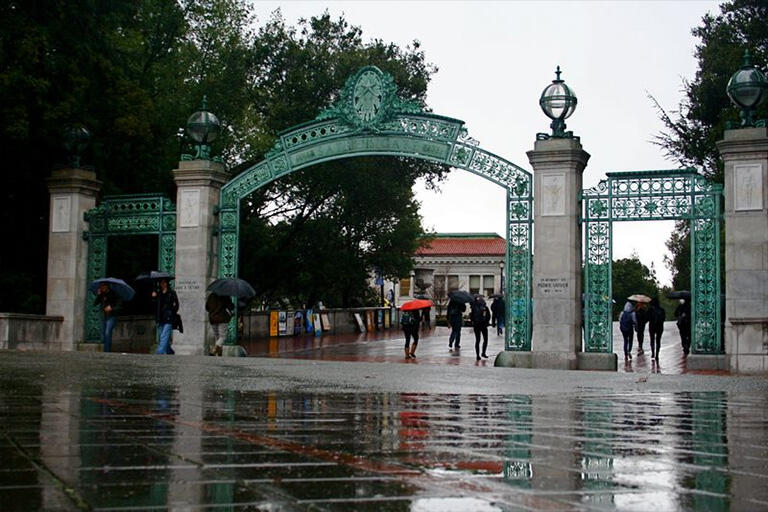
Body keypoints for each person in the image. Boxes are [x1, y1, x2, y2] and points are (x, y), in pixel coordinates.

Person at [153, 278, 178, 355]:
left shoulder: (172, 293)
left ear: (167, 283)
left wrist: (171, 312)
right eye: (161, 283)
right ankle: (170, 351)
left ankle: (159, 352)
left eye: (164, 282)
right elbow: (154, 306)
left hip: (168, 317)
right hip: (160, 318)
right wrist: (154, 298)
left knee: (164, 336)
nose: (163, 284)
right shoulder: (158, 293)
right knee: (162, 337)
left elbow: (176, 305)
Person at [94, 283, 119, 353]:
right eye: (100, 286)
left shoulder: (114, 294)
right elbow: (95, 303)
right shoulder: (102, 294)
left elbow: (118, 306)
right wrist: (98, 295)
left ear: (106, 286)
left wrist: (111, 308)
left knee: (107, 333)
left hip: (111, 316)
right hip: (103, 315)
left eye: (102, 286)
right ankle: (106, 350)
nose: (101, 288)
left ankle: (107, 351)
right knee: (104, 334)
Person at [470, 296, 491, 361]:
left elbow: (471, 317)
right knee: (485, 339)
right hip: (483, 325)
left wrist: (473, 322)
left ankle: (477, 355)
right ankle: (483, 353)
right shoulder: (484, 308)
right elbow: (488, 316)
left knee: (477, 340)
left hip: (476, 326)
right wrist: (487, 322)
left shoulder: (473, 308)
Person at [648, 297, 666, 361]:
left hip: (652, 326)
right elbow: (664, 319)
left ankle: (653, 352)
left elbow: (647, 318)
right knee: (658, 340)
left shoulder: (650, 310)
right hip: (660, 327)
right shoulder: (661, 310)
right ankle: (657, 354)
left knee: (652, 339)